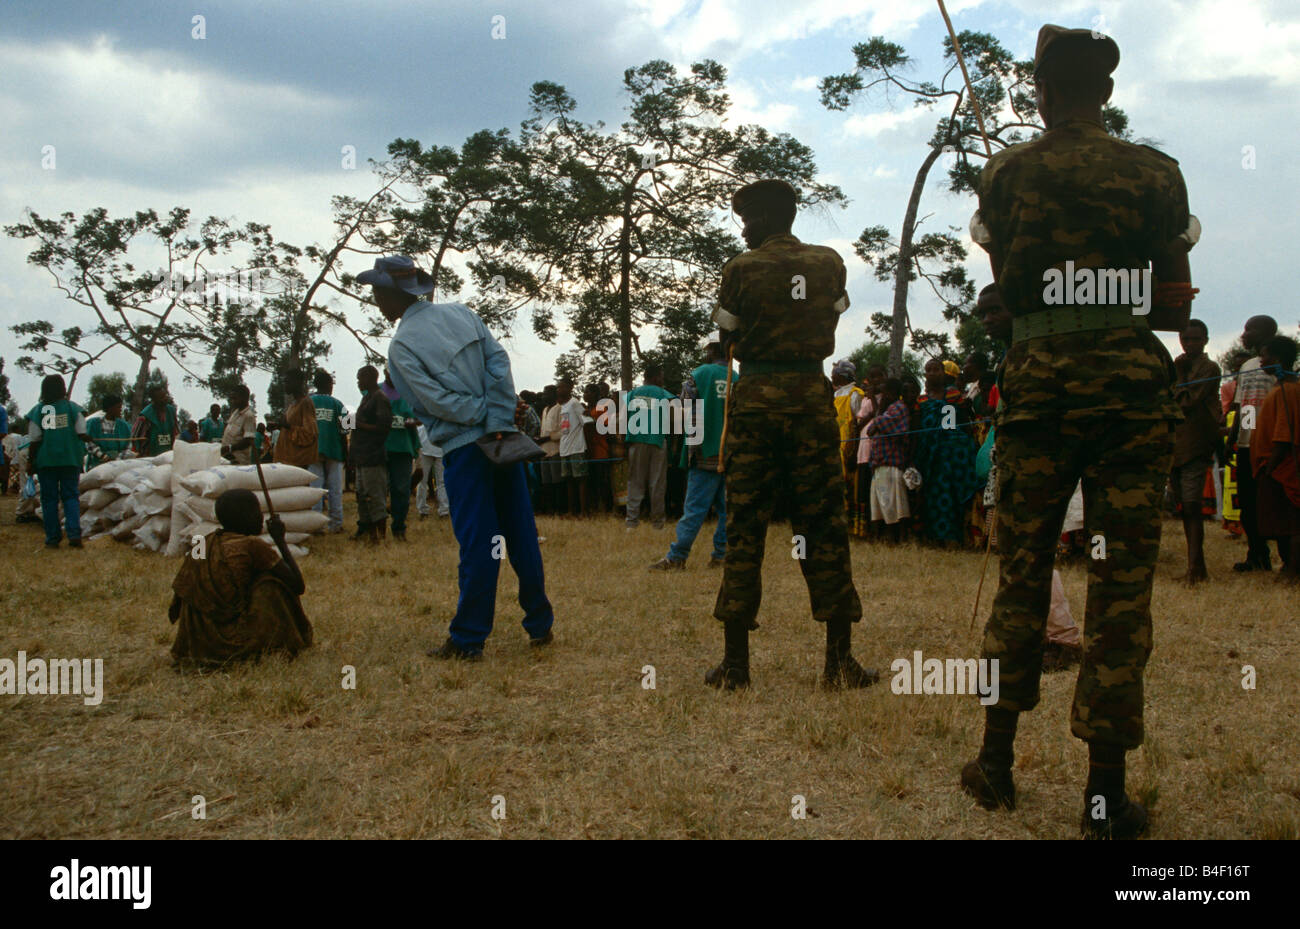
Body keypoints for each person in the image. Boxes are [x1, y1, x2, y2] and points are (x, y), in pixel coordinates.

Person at [963, 23, 1200, 839]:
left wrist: (1025, 310)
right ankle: (1104, 796)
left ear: (1039, 89)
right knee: (1121, 589)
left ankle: (995, 765)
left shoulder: (1007, 173)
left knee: (1022, 572)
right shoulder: (1156, 174)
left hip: (1037, 392)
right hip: (1131, 395)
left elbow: (1007, 289)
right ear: (1104, 91)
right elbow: (1175, 299)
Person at [708, 178, 877, 690]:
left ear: (760, 220)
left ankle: (736, 666)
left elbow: (727, 335)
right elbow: (834, 312)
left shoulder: (739, 269)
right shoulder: (829, 263)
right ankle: (839, 663)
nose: (743, 229)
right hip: (809, 398)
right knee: (823, 526)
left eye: (746, 220)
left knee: (745, 530)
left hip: (757, 399)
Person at [366, 255, 554, 659]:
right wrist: (497, 417)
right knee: (520, 534)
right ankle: (540, 625)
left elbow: (429, 401)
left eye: (377, 291)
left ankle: (468, 640)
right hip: (502, 438)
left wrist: (478, 418)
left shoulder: (400, 348)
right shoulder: (462, 314)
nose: (375, 299)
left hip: (464, 449)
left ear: (391, 295)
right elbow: (499, 364)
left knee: (479, 543)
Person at [167, 489, 312, 667]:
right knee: (272, 584)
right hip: (233, 642)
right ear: (245, 517)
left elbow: (184, 589)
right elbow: (297, 585)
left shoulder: (206, 542)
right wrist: (280, 541)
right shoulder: (252, 545)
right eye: (257, 512)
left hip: (200, 642)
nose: (261, 518)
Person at [651, 340, 733, 570]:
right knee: (727, 510)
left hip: (703, 451)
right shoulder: (736, 377)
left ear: (714, 352)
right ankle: (721, 555)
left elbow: (684, 408)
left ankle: (677, 557)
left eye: (707, 350)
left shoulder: (699, 374)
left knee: (695, 508)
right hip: (730, 453)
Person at [1170, 319, 1223, 584]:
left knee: (1192, 506)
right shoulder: (1177, 364)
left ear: (1205, 340)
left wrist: (1178, 379)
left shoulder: (1209, 367)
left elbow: (1187, 401)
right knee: (1184, 507)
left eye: (1195, 339)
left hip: (1197, 443)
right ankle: (1196, 565)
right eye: (1186, 339)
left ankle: (1196, 568)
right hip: (1176, 445)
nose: (1190, 344)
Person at [1227, 315, 1280, 572]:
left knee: (1272, 500)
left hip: (1270, 444)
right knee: (1247, 503)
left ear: (1267, 332)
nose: (1244, 334)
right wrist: (1234, 438)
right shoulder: (1247, 365)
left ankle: (1289, 559)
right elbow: (1242, 405)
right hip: (1247, 443)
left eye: (1250, 329)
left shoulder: (1278, 366)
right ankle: (1257, 555)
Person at [26, 374, 103, 548]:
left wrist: (31, 461)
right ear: (63, 388)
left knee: (49, 500)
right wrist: (89, 438)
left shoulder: (37, 411)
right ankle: (74, 534)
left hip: (47, 461)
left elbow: (35, 439)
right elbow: (81, 432)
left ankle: (53, 538)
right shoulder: (73, 409)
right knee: (70, 497)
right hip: (70, 459)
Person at [913, 358, 979, 546]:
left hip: (946, 453)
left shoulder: (952, 395)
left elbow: (955, 425)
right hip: (927, 453)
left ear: (944, 373)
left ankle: (951, 536)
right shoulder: (921, 399)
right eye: (928, 370)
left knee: (948, 493)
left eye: (936, 369)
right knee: (929, 494)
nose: (932, 373)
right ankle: (932, 537)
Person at [1252, 334, 1300, 581]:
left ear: (1277, 359)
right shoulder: (1280, 387)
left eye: (1265, 356)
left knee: (1290, 522)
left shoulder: (1288, 390)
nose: (1261, 361)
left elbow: (1284, 436)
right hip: (1270, 464)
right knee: (1279, 522)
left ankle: (1292, 569)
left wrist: (1270, 468)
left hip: (1281, 467)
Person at [624, 364, 675, 529]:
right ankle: (658, 524)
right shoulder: (663, 393)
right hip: (657, 441)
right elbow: (673, 418)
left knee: (635, 482)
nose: (662, 379)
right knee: (657, 483)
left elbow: (624, 418)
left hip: (636, 441)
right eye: (661, 376)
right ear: (654, 377)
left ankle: (631, 523)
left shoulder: (632, 394)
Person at [350, 365, 392, 544]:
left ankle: (380, 536)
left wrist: (359, 425)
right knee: (362, 495)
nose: (358, 382)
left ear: (370, 378)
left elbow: (383, 427)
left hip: (373, 456)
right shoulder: (367, 398)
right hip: (362, 455)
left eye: (360, 378)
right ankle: (369, 532)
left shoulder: (380, 398)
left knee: (375, 496)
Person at [865, 378, 911, 543]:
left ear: (891, 393)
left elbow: (884, 425)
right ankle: (883, 538)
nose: (882, 396)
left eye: (884, 392)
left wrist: (878, 419)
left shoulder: (898, 408)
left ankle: (898, 538)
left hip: (891, 462)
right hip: (879, 463)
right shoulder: (886, 409)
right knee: (881, 503)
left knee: (893, 504)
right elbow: (871, 431)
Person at [381, 368, 421, 541]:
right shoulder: (375, 391)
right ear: (385, 373)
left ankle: (399, 527)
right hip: (380, 448)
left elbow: (420, 418)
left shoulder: (409, 393)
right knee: (379, 489)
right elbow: (359, 417)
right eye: (389, 373)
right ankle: (377, 527)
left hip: (403, 449)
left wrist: (408, 422)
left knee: (401, 489)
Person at [308, 370, 348, 533]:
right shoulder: (340, 404)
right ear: (328, 385)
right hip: (335, 451)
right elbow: (347, 429)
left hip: (313, 451)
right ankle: (336, 524)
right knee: (335, 490)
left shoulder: (308, 402)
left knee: (315, 490)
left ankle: (316, 525)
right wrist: (347, 454)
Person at [831, 359, 866, 527]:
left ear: (843, 375)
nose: (832, 375)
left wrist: (854, 450)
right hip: (835, 446)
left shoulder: (855, 394)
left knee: (850, 487)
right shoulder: (835, 394)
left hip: (849, 448)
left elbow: (859, 423)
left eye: (835, 372)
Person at [270, 369, 319, 474]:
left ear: (297, 382)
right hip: (286, 459)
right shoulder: (293, 405)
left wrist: (288, 426)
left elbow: (310, 434)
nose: (285, 385)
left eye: (287, 382)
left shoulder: (306, 403)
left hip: (296, 462)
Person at [553, 378, 588, 517]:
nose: (558, 390)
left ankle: (584, 512)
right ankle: (572, 511)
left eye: (561, 387)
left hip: (577, 447)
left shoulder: (575, 403)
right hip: (565, 447)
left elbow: (585, 421)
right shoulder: (563, 406)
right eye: (558, 387)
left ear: (569, 388)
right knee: (568, 480)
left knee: (580, 479)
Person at [85, 395, 132, 467]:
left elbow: (128, 445)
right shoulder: (94, 424)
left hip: (119, 463)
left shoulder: (124, 426)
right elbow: (90, 444)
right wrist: (103, 456)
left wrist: (118, 459)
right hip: (98, 463)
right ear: (110, 408)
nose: (120, 410)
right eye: (118, 407)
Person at [132, 385, 179, 457]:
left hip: (168, 454)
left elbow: (176, 432)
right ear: (154, 400)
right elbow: (136, 437)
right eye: (161, 397)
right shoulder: (145, 415)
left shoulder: (171, 411)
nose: (165, 399)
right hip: (150, 455)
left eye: (165, 396)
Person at [415, 423, 450, 518]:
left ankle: (442, 510)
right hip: (428, 447)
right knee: (427, 481)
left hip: (434, 447)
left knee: (436, 481)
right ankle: (441, 510)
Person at [538, 384, 563, 514]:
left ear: (554, 395)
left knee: (556, 482)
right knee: (546, 482)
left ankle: (559, 509)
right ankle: (550, 509)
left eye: (546, 393)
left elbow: (564, 430)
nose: (544, 396)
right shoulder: (544, 410)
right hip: (544, 451)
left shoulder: (560, 409)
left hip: (555, 449)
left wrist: (548, 438)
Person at [220, 385, 258, 465]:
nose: (233, 401)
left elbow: (248, 440)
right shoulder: (235, 413)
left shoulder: (249, 416)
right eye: (232, 399)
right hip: (227, 458)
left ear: (244, 398)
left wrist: (230, 448)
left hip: (239, 461)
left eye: (235, 398)